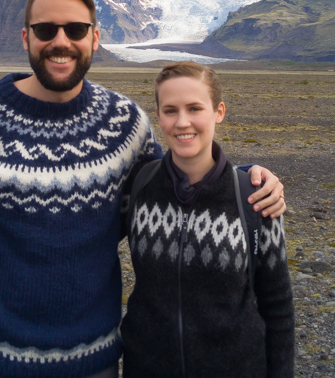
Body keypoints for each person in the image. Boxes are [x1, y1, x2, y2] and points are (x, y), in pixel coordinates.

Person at [0, 0, 286, 378]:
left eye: (75, 30)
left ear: (94, 38)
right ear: (25, 37)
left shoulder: (125, 124)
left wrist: (245, 180)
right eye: (45, 30)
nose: (60, 41)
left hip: (97, 363)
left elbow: (173, 187)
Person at [120, 61, 294, 377]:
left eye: (195, 108)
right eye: (170, 110)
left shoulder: (254, 198)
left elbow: (278, 306)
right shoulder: (140, 185)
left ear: (219, 112)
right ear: (158, 116)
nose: (182, 121)